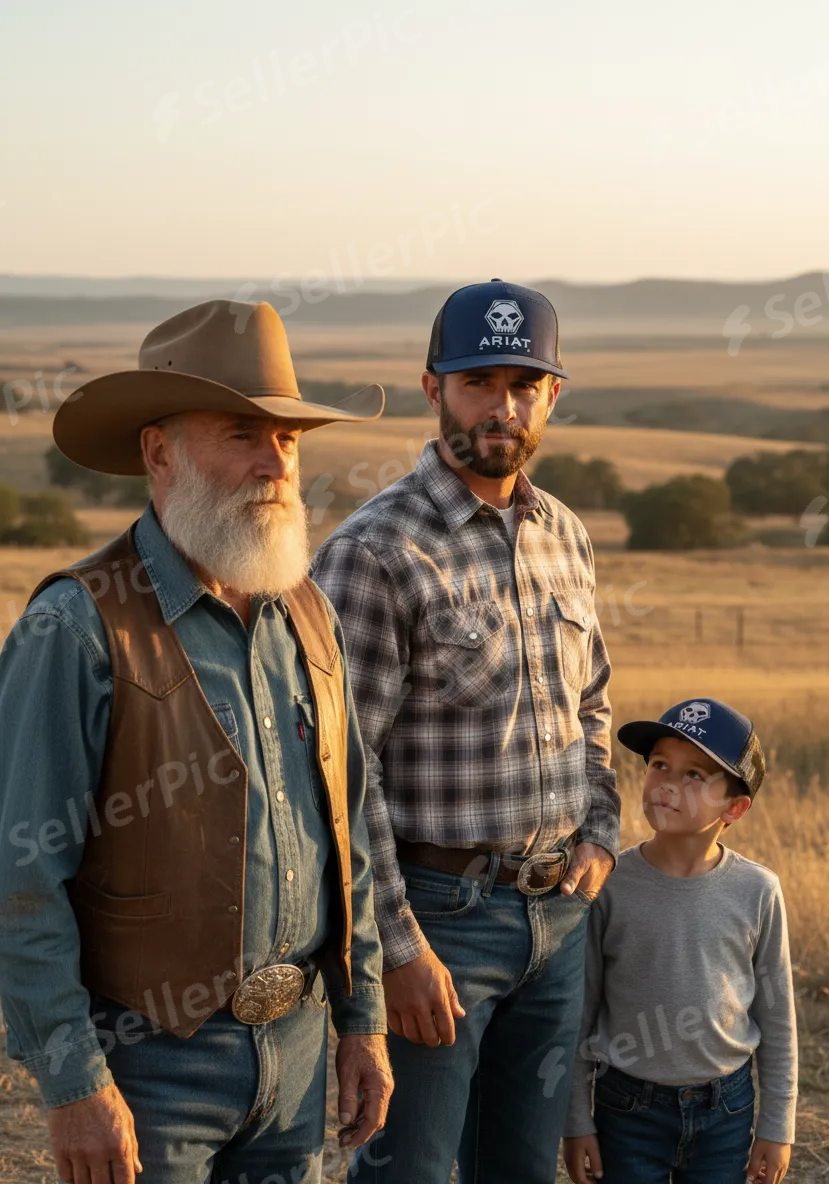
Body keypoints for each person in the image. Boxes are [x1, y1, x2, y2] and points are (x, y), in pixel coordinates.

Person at [0, 300, 394, 1184]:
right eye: (243, 434)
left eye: (288, 440)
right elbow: (20, 877)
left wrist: (361, 1018)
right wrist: (73, 1087)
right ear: (158, 452)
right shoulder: (76, 627)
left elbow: (350, 834)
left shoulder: (308, 612)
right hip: (147, 1070)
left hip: (296, 1060)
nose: (274, 462)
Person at [311, 279, 621, 1184]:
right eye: (479, 382)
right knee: (409, 1171)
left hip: (557, 915)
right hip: (442, 920)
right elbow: (339, 769)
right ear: (431, 388)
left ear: (552, 395)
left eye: (525, 384)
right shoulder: (373, 551)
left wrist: (600, 831)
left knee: (521, 1171)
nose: (504, 406)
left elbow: (592, 702)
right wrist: (397, 951)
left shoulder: (564, 532)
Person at [564, 698, 797, 1184]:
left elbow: (777, 1021)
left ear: (735, 807)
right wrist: (576, 1122)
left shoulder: (757, 891)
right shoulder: (611, 882)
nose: (667, 781)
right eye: (659, 764)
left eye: (695, 774)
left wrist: (777, 1128)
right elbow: (581, 1012)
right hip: (626, 1109)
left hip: (725, 1110)